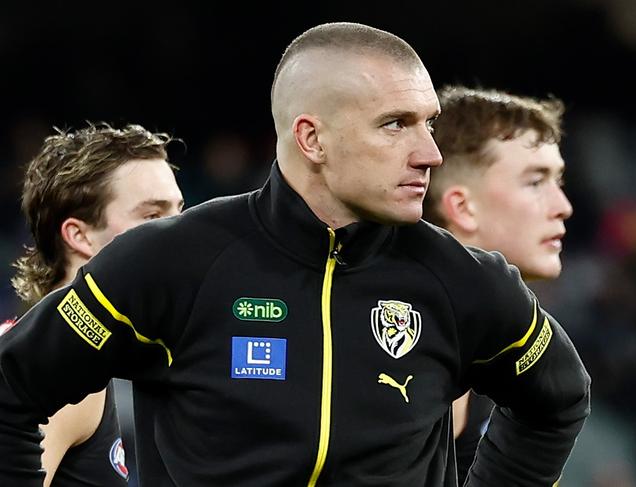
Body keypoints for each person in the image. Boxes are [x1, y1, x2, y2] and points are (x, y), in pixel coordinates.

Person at [0, 22, 589, 486]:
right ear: (312, 139)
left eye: (429, 124)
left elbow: (559, 400)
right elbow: (11, 387)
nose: (429, 152)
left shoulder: (464, 281)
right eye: (396, 125)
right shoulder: (171, 261)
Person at [4, 123, 184, 486]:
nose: (179, 232)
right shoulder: (58, 373)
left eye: (180, 212)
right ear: (79, 235)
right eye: (152, 216)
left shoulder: (71, 356)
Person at [423, 86, 574, 483]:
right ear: (462, 206)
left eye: (558, 179)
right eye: (535, 181)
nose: (563, 206)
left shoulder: (509, 371)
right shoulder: (377, 349)